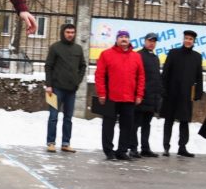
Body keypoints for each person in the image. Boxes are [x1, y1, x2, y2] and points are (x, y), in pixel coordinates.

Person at [95, 30, 145, 160]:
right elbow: (99, 75)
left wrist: (139, 94)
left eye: (126, 37)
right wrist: (101, 93)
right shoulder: (106, 54)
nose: (124, 39)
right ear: (116, 40)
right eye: (121, 37)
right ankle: (109, 151)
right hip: (110, 97)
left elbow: (141, 76)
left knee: (127, 126)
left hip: (129, 97)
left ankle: (122, 151)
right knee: (108, 126)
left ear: (129, 40)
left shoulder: (136, 57)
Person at [44, 24, 87, 153]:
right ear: (63, 33)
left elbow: (83, 66)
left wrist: (77, 81)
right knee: (53, 116)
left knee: (68, 118)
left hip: (71, 90)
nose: (70, 34)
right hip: (56, 89)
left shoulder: (78, 49)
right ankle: (51, 143)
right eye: (68, 32)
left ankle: (65, 143)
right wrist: (49, 85)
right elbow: (48, 66)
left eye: (72, 32)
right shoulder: (55, 47)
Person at [160, 30, 203, 157]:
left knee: (184, 121)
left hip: (186, 94)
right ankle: (166, 147)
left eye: (190, 39)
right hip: (171, 93)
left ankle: (182, 147)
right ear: (183, 39)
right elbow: (166, 73)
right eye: (186, 38)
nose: (188, 41)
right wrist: (163, 89)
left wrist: (198, 93)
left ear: (194, 41)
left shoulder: (197, 56)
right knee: (169, 120)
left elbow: (198, 76)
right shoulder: (174, 53)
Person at [131, 32, 161, 158]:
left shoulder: (155, 58)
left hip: (152, 97)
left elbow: (156, 78)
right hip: (141, 96)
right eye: (149, 41)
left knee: (146, 124)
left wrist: (158, 95)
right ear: (145, 41)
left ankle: (145, 148)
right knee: (135, 123)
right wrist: (138, 94)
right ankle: (133, 148)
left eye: (154, 41)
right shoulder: (138, 55)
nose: (151, 43)